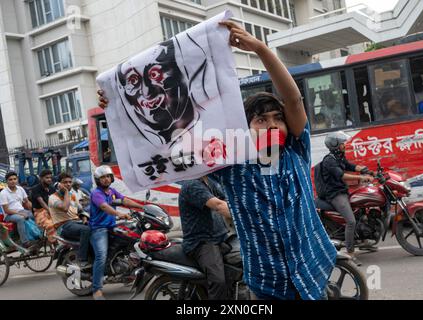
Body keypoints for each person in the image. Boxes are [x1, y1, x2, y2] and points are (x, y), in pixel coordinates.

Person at [97, 20, 337, 300]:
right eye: (261, 120)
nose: (271, 125)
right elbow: (166, 143)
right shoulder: (231, 165)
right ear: (243, 129)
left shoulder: (297, 150)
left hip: (311, 271)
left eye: (277, 119)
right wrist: (117, 106)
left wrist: (260, 49)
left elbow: (293, 101)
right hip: (269, 283)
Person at [89, 165, 143, 300]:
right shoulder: (96, 193)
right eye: (102, 177)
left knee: (133, 239)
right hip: (99, 229)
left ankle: (128, 273)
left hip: (112, 226)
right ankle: (97, 289)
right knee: (101, 255)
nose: (106, 179)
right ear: (98, 180)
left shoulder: (112, 191)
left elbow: (124, 200)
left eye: (108, 176)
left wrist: (143, 207)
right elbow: (104, 206)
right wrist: (119, 213)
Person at [320, 131, 374, 265]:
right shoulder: (329, 160)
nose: (345, 145)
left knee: (362, 209)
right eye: (342, 143)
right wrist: (361, 177)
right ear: (335, 145)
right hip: (335, 194)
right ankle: (350, 253)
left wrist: (364, 169)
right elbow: (342, 175)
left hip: (343, 190)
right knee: (351, 221)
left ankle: (364, 239)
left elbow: (350, 165)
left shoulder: (339, 157)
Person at [178, 176, 232, 300]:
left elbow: (224, 198)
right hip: (202, 241)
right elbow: (218, 205)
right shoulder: (192, 185)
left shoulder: (208, 182)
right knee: (218, 281)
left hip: (218, 238)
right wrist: (245, 216)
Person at [48, 172, 91, 268]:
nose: (68, 184)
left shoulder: (73, 196)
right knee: (86, 230)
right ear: (59, 184)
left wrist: (84, 218)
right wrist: (66, 192)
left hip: (76, 223)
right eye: (65, 182)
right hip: (64, 226)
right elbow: (65, 207)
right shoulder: (52, 198)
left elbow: (80, 210)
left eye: (70, 182)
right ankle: (82, 260)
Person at [0, 172, 34, 247]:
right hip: (9, 215)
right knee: (20, 218)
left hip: (21, 211)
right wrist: (20, 214)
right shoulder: (3, 193)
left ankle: (36, 236)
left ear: (17, 180)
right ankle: (25, 242)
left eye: (15, 179)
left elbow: (27, 201)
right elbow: (6, 210)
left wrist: (34, 210)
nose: (13, 181)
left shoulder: (20, 189)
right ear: (7, 181)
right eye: (10, 179)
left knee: (34, 215)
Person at [31, 169, 57, 243]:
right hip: (39, 212)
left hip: (51, 210)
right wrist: (50, 211)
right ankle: (53, 243)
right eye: (47, 178)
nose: (49, 179)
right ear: (41, 178)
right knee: (50, 225)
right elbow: (41, 202)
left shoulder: (52, 188)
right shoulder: (35, 189)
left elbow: (56, 200)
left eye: (50, 178)